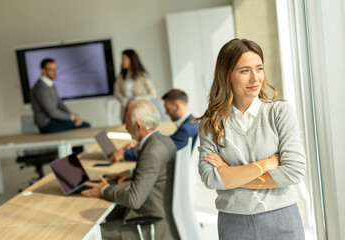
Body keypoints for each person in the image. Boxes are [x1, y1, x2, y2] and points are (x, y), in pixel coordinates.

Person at [197, 39, 306, 239]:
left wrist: (230, 176)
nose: (255, 78)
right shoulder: (211, 124)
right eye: (245, 71)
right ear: (226, 75)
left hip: (282, 219)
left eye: (259, 68)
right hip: (233, 224)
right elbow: (211, 179)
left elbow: (294, 172)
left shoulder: (280, 113)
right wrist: (268, 163)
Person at [81, 100, 179, 240]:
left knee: (89, 233)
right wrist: (132, 173)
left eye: (127, 123)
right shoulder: (164, 141)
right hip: (157, 214)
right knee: (102, 215)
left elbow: (134, 200)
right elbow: (159, 172)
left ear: (138, 125)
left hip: (148, 224)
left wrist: (104, 190)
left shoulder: (151, 151)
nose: (126, 128)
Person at [111, 89, 199, 162]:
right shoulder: (192, 123)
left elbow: (159, 153)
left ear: (177, 106)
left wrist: (125, 154)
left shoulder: (185, 129)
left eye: (167, 108)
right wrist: (142, 143)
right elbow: (169, 141)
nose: (165, 112)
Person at [30, 58, 90, 133]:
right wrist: (72, 117)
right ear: (43, 71)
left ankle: (106, 144)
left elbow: (59, 104)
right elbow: (52, 112)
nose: (55, 72)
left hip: (55, 121)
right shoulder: (40, 88)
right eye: (51, 70)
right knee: (86, 125)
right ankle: (106, 144)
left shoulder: (50, 83)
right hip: (47, 124)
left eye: (56, 69)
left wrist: (72, 116)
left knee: (80, 124)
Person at [114, 49, 157, 122]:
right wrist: (125, 100)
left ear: (131, 60)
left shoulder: (142, 75)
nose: (121, 62)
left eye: (124, 59)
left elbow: (153, 93)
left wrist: (137, 99)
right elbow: (116, 93)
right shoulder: (121, 76)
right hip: (126, 110)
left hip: (140, 110)